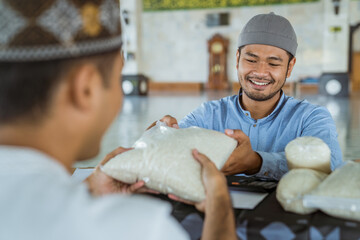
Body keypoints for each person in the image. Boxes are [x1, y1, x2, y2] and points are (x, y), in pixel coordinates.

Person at [0, 1, 236, 239]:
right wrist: (219, 205)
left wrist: (89, 188)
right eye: (118, 76)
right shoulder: (135, 227)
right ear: (86, 89)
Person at [153, 12, 343, 180]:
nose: (260, 72)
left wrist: (257, 163)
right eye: (251, 60)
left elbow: (330, 167)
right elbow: (168, 153)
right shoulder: (208, 115)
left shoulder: (311, 118)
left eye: (273, 64)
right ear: (237, 59)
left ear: (290, 67)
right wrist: (159, 135)